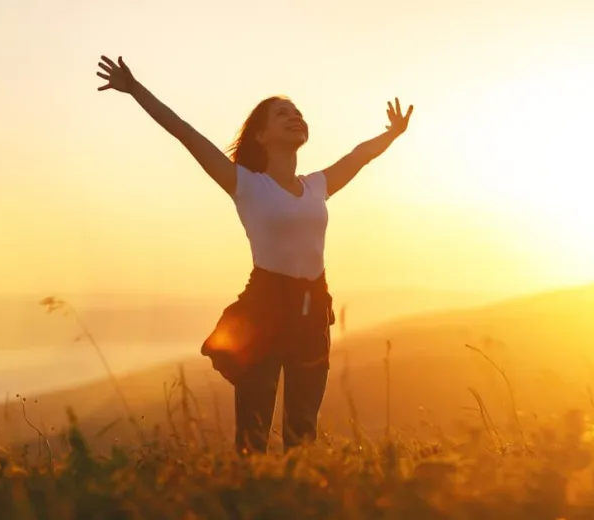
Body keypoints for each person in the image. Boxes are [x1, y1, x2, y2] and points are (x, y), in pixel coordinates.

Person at [94, 55, 413, 454]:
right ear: (261, 136)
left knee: (303, 431)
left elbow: (358, 156)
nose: (295, 117)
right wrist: (135, 89)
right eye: (282, 114)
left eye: (297, 113)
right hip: (264, 310)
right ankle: (250, 490)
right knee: (253, 431)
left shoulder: (317, 186)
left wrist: (392, 134)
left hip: (313, 310)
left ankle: (299, 489)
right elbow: (186, 133)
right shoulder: (245, 184)